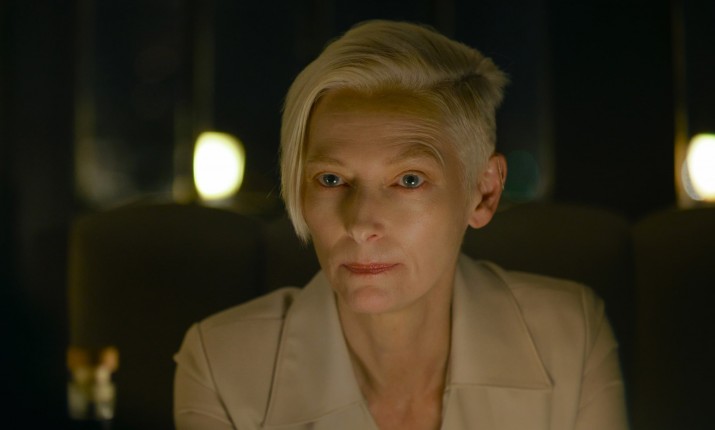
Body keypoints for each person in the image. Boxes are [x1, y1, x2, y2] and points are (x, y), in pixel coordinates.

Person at [174, 20, 628, 430]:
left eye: (409, 180)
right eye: (331, 179)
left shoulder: (569, 338)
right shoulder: (223, 364)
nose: (360, 224)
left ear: (484, 192)